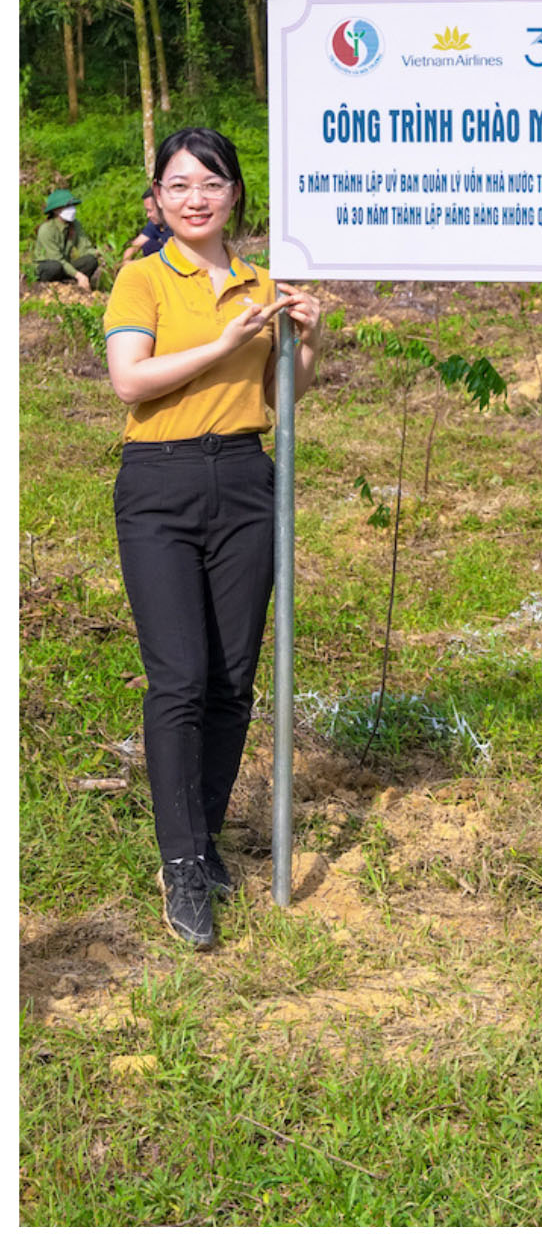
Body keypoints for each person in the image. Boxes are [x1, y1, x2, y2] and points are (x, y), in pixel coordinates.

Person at [102, 128, 323, 948]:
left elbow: (282, 395)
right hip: (158, 482)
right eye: (179, 185)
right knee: (180, 678)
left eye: (212, 183)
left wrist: (306, 337)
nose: (196, 198)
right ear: (157, 198)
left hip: (244, 475)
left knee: (232, 679)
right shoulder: (141, 277)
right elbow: (131, 379)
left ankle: (206, 837)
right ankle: (182, 862)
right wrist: (221, 343)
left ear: (236, 195)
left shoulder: (266, 281)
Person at [33, 189, 105, 289]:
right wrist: (78, 275)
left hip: (64, 266)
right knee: (54, 267)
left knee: (91, 260)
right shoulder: (46, 229)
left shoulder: (75, 224)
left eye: (72, 206)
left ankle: (71, 284)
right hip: (48, 266)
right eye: (67, 206)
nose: (72, 209)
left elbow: (84, 247)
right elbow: (56, 258)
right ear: (55, 210)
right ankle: (49, 287)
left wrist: (100, 254)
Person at [124, 184, 174, 263]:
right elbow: (135, 245)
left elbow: (168, 258)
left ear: (161, 206)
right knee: (149, 246)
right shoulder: (155, 223)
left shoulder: (175, 227)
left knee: (151, 247)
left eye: (150, 210)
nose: (148, 215)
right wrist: (126, 261)